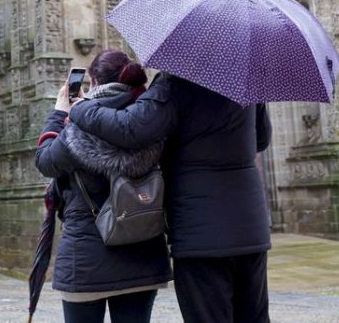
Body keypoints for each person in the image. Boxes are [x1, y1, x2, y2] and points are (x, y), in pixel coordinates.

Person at [69, 71, 272, 323]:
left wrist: (80, 108)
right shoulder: (245, 81)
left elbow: (130, 127)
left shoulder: (176, 82)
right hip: (251, 227)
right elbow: (261, 139)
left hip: (201, 233)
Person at [34, 49, 171, 323]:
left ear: (94, 82)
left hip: (86, 261)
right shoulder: (151, 121)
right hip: (142, 255)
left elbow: (45, 160)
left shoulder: (80, 125)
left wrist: (60, 111)